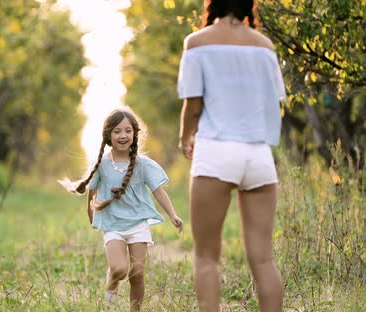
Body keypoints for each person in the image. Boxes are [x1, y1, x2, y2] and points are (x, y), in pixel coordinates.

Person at [176, 1, 286, 311]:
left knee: (207, 256)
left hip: (216, 151)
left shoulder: (196, 42)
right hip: (259, 155)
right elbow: (275, 102)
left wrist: (185, 140)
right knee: (263, 259)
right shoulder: (265, 45)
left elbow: (193, 105)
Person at [60, 107, 183, 312]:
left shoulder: (142, 164)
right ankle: (111, 287)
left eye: (127, 130)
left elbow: (158, 192)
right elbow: (92, 191)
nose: (123, 135)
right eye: (117, 131)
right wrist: (91, 213)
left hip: (138, 225)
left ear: (134, 134)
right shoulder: (102, 164)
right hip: (113, 224)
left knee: (137, 273)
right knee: (119, 269)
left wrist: (172, 214)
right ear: (108, 135)